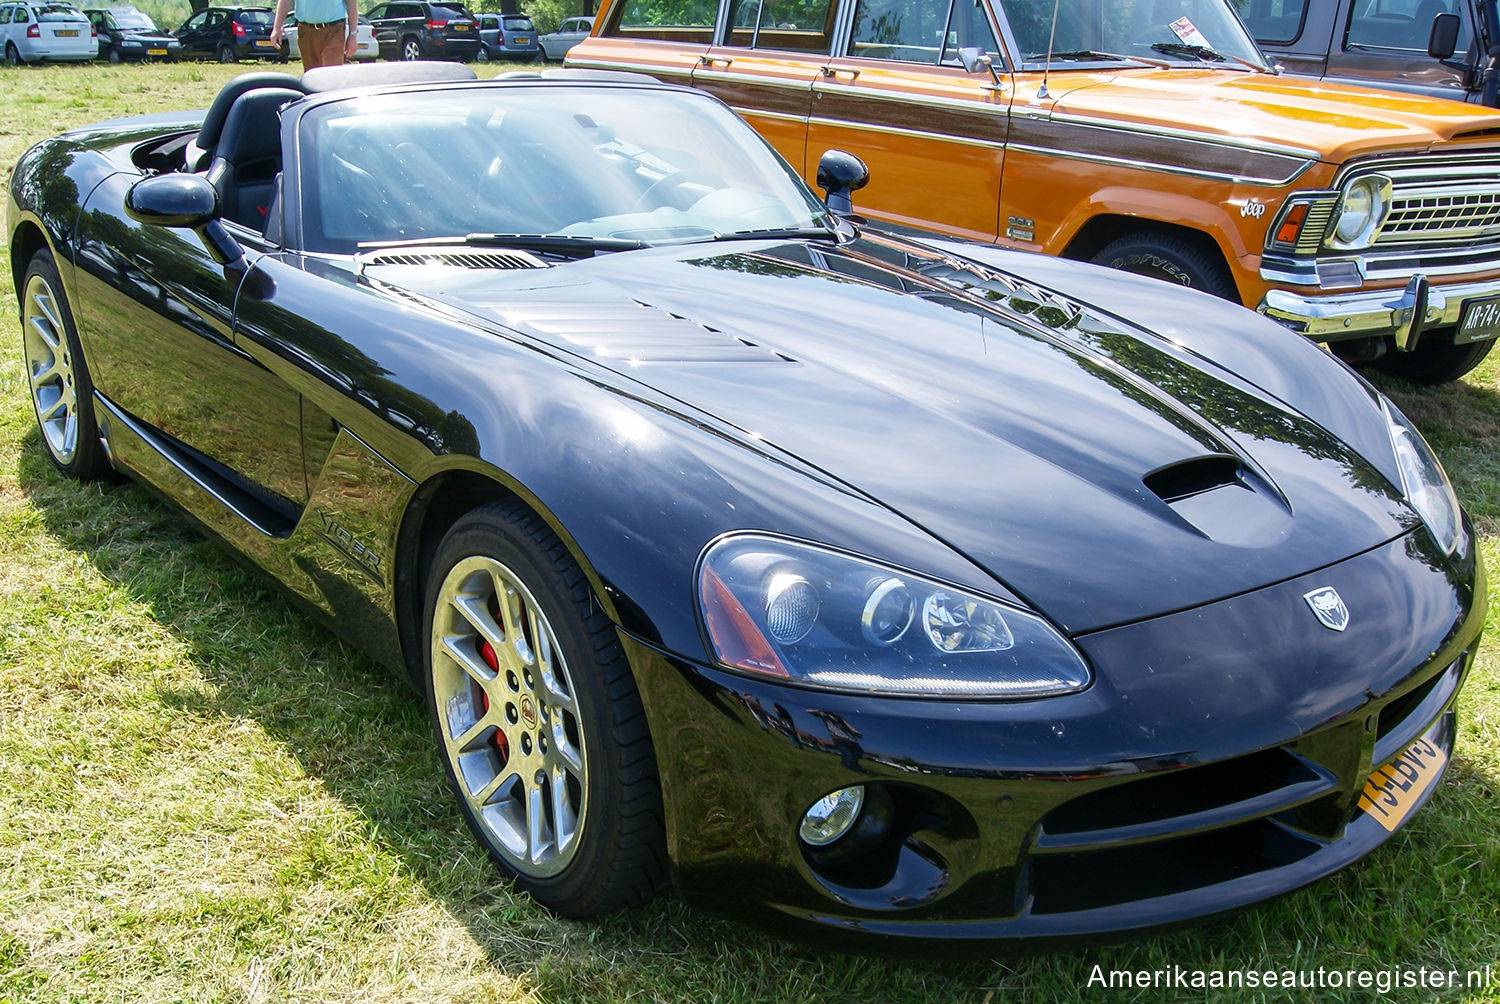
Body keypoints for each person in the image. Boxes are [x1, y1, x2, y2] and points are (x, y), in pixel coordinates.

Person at [270, 0, 358, 70]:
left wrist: (353, 35)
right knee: (312, 77)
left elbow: (351, 2)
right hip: (306, 31)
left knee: (332, 75)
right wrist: (277, 27)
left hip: (334, 29)